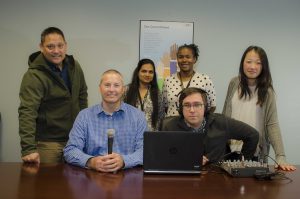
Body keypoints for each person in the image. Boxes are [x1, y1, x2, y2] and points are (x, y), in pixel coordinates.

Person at [18, 27, 88, 164]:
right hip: (48, 144)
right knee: (47, 185)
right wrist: (28, 149)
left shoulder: (74, 66)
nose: (56, 51)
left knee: (75, 184)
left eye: (60, 46)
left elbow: (82, 96)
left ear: (66, 46)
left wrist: (83, 132)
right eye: (50, 46)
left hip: (75, 141)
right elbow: (27, 112)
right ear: (41, 47)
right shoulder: (34, 75)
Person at [222, 46, 296, 171]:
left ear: (263, 66)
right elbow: (224, 118)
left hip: (254, 154)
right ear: (242, 63)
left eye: (258, 63)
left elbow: (272, 124)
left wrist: (280, 156)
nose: (252, 66)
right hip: (228, 151)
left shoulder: (267, 91)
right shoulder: (234, 83)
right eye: (249, 61)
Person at [64, 69, 147, 172]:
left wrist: (124, 161)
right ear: (100, 88)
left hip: (127, 177)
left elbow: (144, 151)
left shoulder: (138, 117)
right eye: (107, 85)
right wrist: (91, 162)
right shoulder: (84, 116)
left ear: (123, 89)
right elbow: (70, 150)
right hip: (92, 178)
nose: (111, 89)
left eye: (116, 85)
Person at [162, 87, 259, 165]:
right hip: (183, 176)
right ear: (180, 108)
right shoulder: (170, 127)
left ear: (205, 107)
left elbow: (253, 135)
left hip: (217, 178)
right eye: (187, 105)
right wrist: (186, 159)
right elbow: (164, 156)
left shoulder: (221, 122)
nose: (192, 110)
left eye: (197, 105)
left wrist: (240, 163)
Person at [162, 44, 216, 117]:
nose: (184, 60)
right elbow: (166, 106)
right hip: (173, 125)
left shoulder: (205, 79)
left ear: (194, 59)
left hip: (196, 126)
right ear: (177, 59)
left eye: (188, 57)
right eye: (181, 57)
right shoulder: (168, 80)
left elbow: (212, 106)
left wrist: (200, 119)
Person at [124, 58, 164, 131]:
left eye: (151, 72)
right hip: (130, 135)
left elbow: (160, 117)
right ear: (138, 72)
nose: (147, 74)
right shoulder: (126, 90)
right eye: (144, 71)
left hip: (151, 136)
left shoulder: (157, 93)